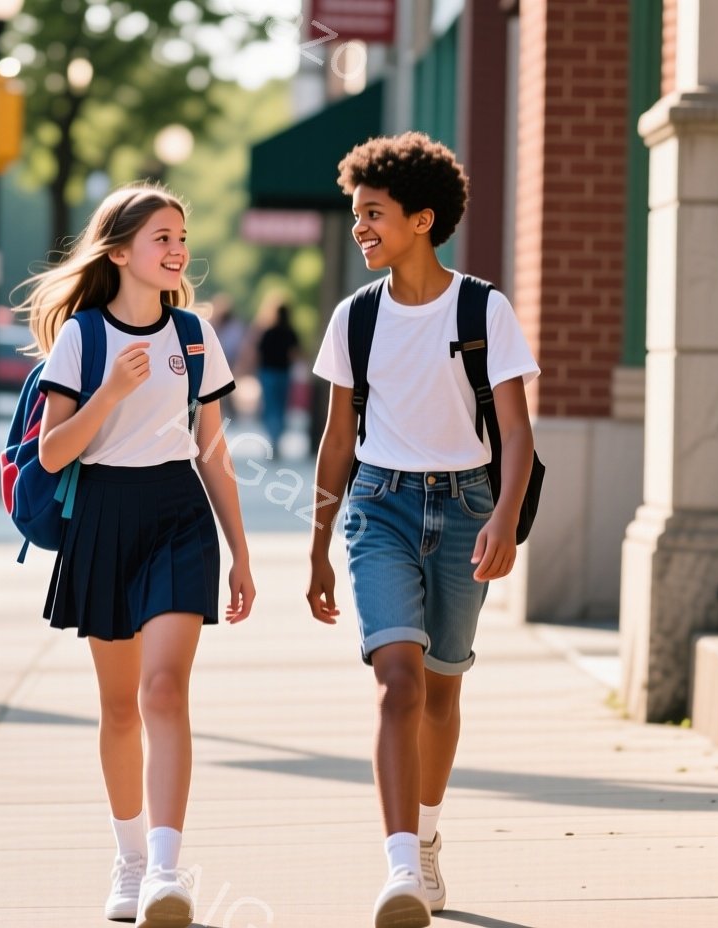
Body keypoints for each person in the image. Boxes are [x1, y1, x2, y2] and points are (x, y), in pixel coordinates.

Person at [305, 133, 539, 927]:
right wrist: (318, 548)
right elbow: (337, 441)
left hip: (469, 506)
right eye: (355, 214)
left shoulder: (483, 308)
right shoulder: (355, 317)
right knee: (396, 682)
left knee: (443, 687)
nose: (359, 228)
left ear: (422, 219)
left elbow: (515, 431)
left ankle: (429, 840)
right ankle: (401, 866)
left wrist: (505, 517)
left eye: (373, 214)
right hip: (379, 508)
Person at [22, 182, 256, 928]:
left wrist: (241, 555)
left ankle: (164, 870)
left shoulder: (194, 335)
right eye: (161, 236)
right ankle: (127, 861)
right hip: (103, 518)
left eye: (181, 235)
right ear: (120, 252)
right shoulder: (83, 338)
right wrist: (108, 394)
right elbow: (52, 453)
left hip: (179, 516)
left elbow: (214, 452)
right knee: (120, 707)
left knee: (163, 693)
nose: (177, 248)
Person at [254, 296, 302, 453]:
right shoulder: (291, 333)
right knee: (281, 407)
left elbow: (259, 353)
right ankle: (277, 439)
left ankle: (272, 438)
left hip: (268, 373)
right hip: (283, 373)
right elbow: (295, 354)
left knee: (270, 407)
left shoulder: (268, 332)